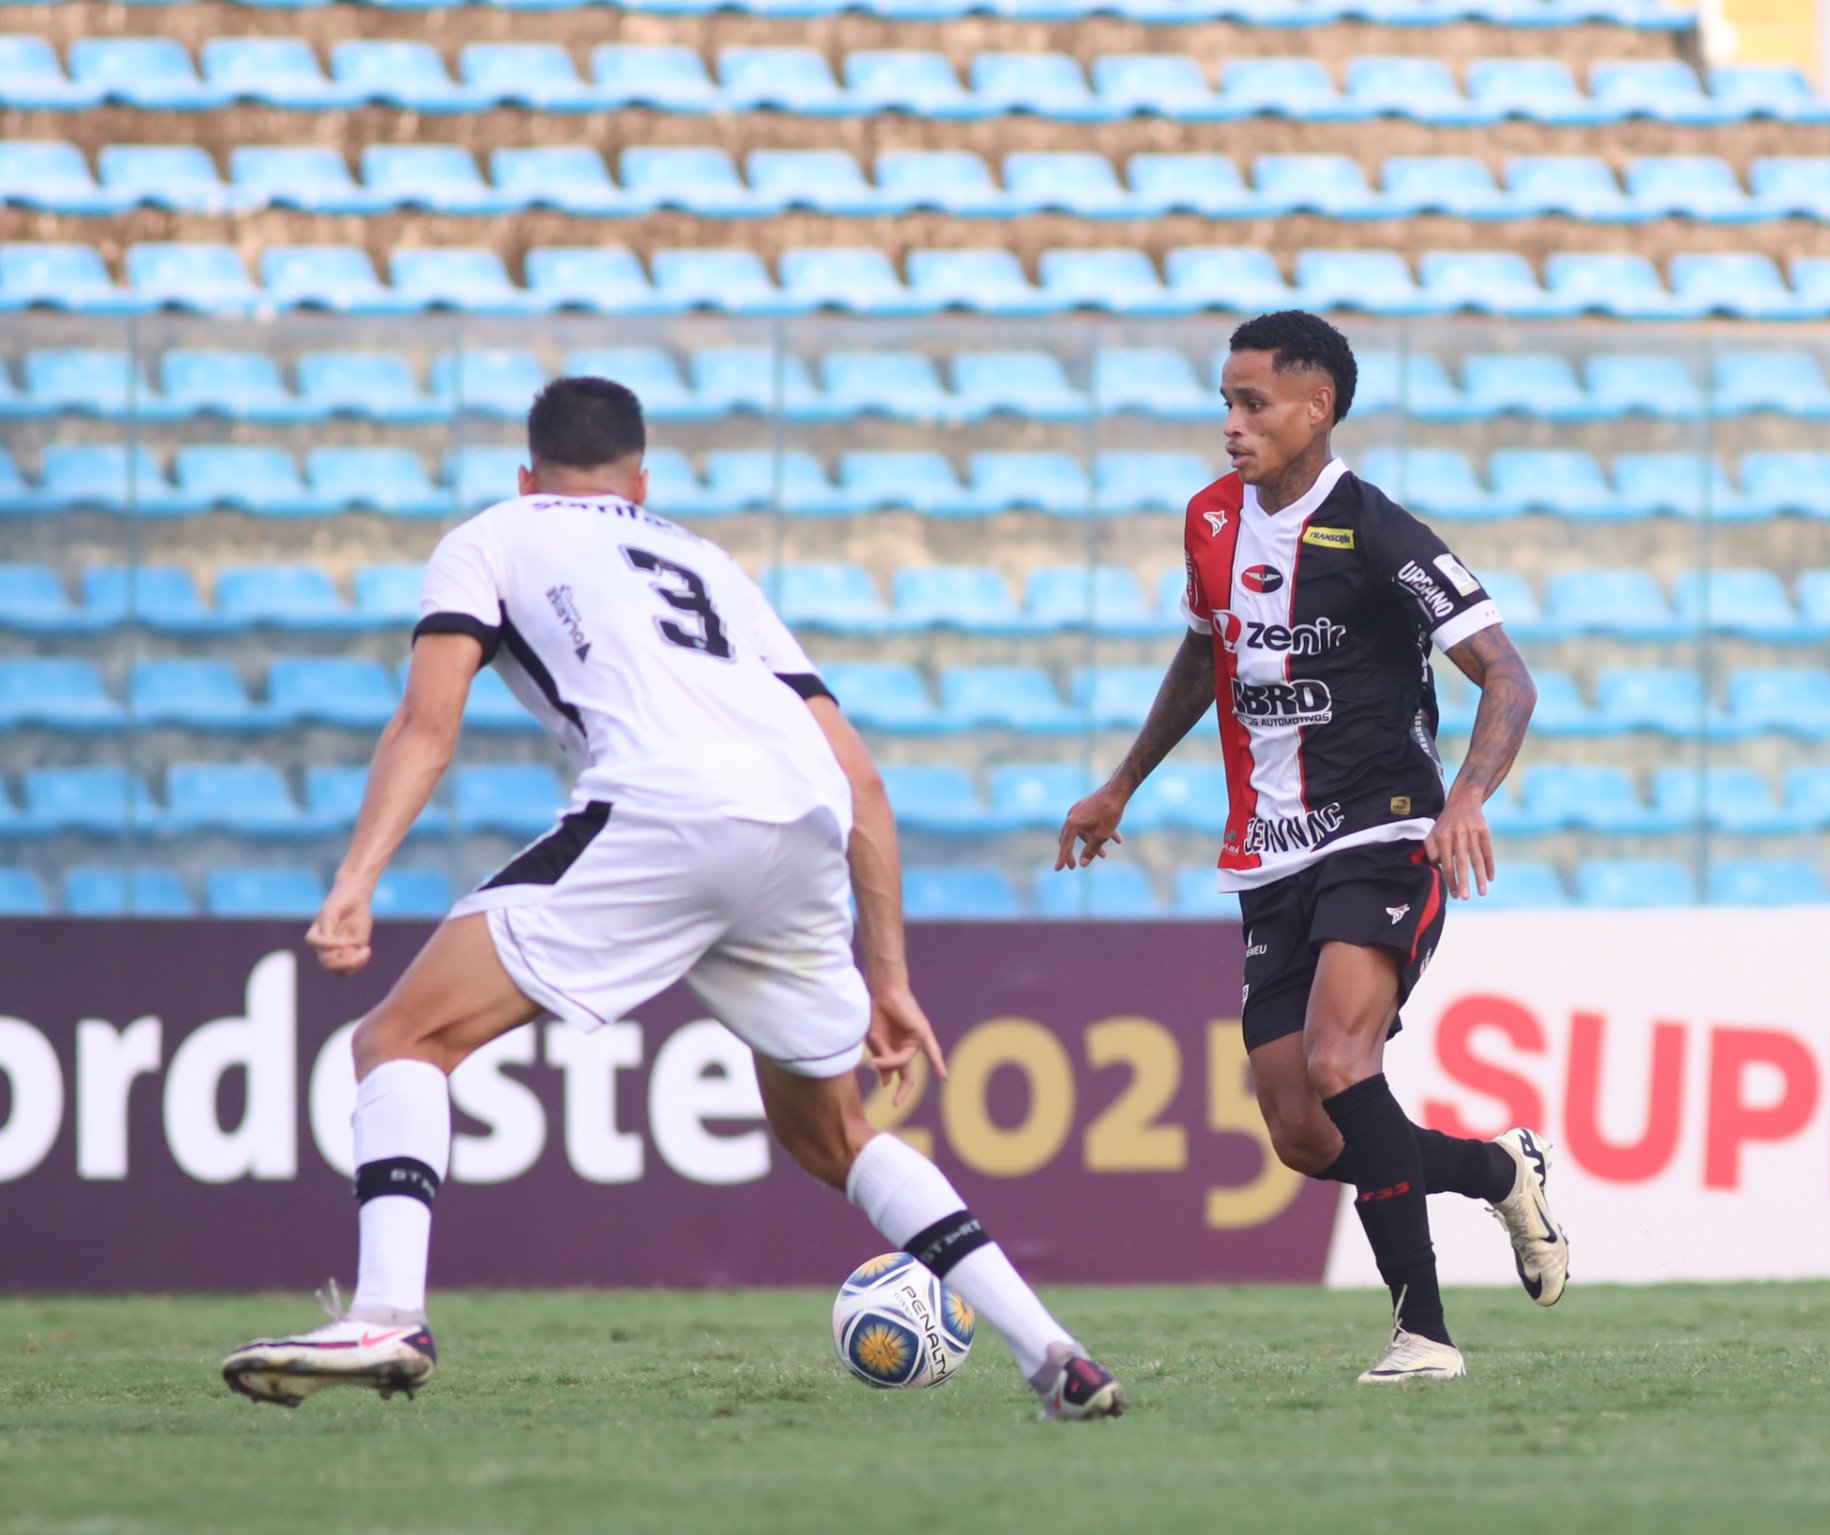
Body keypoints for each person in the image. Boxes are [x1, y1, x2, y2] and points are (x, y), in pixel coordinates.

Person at [221, 376, 1124, 1421]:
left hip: (663, 810)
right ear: (640, 480)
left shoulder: (493, 533)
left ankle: (387, 1313)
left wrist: (355, 879)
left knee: (400, 1043)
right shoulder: (707, 560)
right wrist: (890, 975)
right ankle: (1053, 1350)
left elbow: (428, 723)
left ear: (528, 471)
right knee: (834, 1135)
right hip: (800, 824)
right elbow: (863, 782)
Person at [1056, 313, 1568, 1383]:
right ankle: (1493, 1166)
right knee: (1304, 1131)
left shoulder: (1379, 533)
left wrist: (1465, 798)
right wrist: (1121, 783)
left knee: (1344, 1062)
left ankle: (1423, 1334)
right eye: (1226, 403)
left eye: (1253, 403)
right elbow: (1206, 656)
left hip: (1384, 827)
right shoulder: (1209, 521)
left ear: (1316, 406)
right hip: (1268, 850)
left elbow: (1508, 674)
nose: (1232, 425)